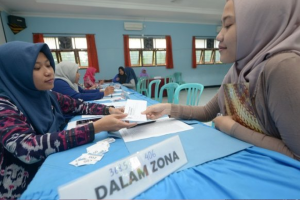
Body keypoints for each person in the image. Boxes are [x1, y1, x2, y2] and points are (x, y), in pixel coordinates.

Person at [143, 0, 300, 161]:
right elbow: (207, 112)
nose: (218, 36)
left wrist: (232, 128)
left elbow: (297, 155)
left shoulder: (282, 67)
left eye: (228, 25)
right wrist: (167, 108)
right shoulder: (237, 70)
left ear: (260, 26)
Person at [0, 41, 136, 198]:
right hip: (26, 189)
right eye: (37, 68)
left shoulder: (47, 96)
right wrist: (95, 127)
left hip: (55, 169)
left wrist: (109, 110)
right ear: (15, 72)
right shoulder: (4, 106)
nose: (48, 72)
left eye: (49, 65)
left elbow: (79, 106)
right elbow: (27, 148)